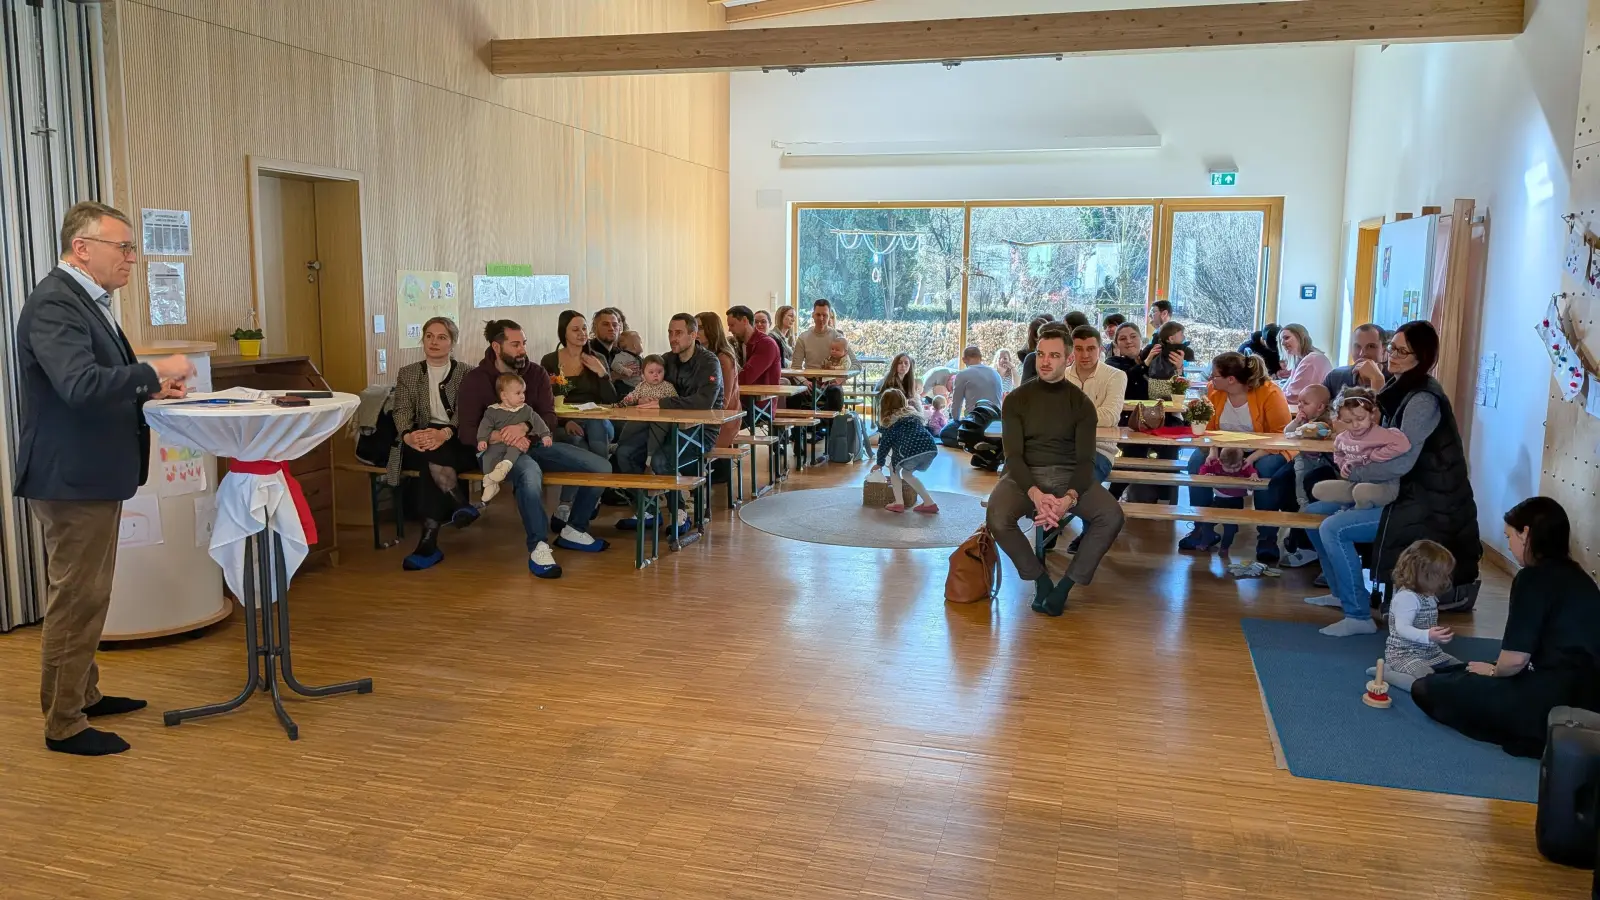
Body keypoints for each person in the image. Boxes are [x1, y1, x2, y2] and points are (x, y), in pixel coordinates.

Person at [15, 200, 193, 756]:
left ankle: (83, 694)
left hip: (89, 474)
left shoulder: (85, 300)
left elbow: (97, 382)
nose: (132, 259)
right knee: (77, 597)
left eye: (133, 248)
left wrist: (147, 389)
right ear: (82, 248)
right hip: (72, 478)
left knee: (90, 593)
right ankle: (63, 723)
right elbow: (80, 385)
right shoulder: (54, 304)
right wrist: (154, 370)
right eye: (124, 248)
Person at [1301, 321, 1480, 636]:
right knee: (1310, 517)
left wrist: (1355, 472)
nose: (1392, 355)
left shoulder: (1423, 399)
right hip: (1396, 491)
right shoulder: (1400, 389)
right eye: (1391, 348)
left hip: (1424, 502)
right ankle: (1344, 595)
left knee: (1333, 527)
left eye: (1402, 351)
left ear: (1421, 357)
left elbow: (1402, 462)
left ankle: (1358, 616)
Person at [1412, 498, 1600, 757]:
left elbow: (1514, 660)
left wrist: (1493, 673)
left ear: (1526, 534)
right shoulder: (1582, 579)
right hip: (1587, 703)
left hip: (1543, 704)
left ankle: (1527, 735)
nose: (1508, 545)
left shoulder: (1532, 579)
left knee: (1425, 687)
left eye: (1509, 536)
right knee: (1462, 668)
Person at [984, 325, 1126, 617]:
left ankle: (1064, 588)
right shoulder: (1016, 399)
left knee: (1111, 516)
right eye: (1041, 354)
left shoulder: (1082, 404)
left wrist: (1068, 500)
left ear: (1068, 359)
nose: (1045, 361)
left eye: (1054, 355)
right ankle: (1041, 579)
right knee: (997, 517)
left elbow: (1086, 460)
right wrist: (1036, 494)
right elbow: (1013, 456)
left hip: (1068, 473)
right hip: (1023, 474)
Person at [458, 319, 610, 579]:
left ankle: (574, 528)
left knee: (602, 466)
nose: (522, 350)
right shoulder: (475, 380)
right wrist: (500, 435)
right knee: (530, 476)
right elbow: (466, 431)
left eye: (524, 343)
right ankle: (539, 546)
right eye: (515, 344)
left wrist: (525, 427)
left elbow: (549, 418)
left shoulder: (537, 373)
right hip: (499, 453)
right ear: (496, 346)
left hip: (537, 445)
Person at [1178, 352, 1294, 563]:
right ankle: (1203, 528)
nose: (1211, 380)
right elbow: (1210, 429)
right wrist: (1213, 452)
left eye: (1215, 376)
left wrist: (1252, 458)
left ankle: (1267, 537)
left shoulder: (1270, 393)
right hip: (1224, 446)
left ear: (1231, 379)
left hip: (1267, 448)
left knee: (1266, 469)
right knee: (1196, 463)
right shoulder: (1215, 391)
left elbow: (1280, 435)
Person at [615, 314, 723, 530]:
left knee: (661, 460)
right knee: (624, 453)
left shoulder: (709, 362)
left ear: (693, 335)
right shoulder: (666, 360)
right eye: (670, 333)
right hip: (663, 428)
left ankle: (680, 513)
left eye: (679, 333)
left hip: (700, 430)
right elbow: (648, 386)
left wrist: (663, 403)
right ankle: (648, 510)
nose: (673, 338)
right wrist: (644, 397)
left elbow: (705, 401)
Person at [392, 316, 478, 571]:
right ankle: (459, 505)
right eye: (429, 336)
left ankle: (429, 541)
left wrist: (445, 433)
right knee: (429, 455)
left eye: (442, 337)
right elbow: (401, 411)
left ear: (452, 343)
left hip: (457, 438)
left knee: (433, 456)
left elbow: (468, 412)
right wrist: (408, 435)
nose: (434, 342)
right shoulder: (408, 373)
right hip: (419, 436)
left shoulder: (466, 372)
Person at [540, 311, 619, 523]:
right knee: (577, 443)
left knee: (595, 426)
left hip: (599, 421)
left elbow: (612, 400)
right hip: (565, 423)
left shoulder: (597, 358)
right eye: (575, 329)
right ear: (563, 333)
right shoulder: (550, 360)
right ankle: (571, 503)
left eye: (584, 328)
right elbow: (545, 401)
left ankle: (591, 493)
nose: (582, 333)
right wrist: (567, 422)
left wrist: (602, 373)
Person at [1374, 540, 1462, 693]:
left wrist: (1435, 636)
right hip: (1404, 655)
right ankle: (1387, 673)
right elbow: (1402, 628)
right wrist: (1427, 635)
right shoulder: (1407, 598)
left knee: (1461, 668)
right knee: (1428, 681)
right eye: (1441, 575)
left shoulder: (1428, 594)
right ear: (1424, 575)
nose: (1445, 580)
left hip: (1430, 652)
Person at [1310, 387, 1411, 509]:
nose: (1355, 425)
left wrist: (1375, 455)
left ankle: (1355, 511)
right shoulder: (1342, 438)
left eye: (1360, 419)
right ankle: (1356, 502)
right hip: (1357, 483)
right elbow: (1338, 453)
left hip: (1385, 487)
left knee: (1361, 492)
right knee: (1318, 489)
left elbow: (1404, 444)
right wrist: (1343, 464)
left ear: (1372, 414)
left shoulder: (1380, 434)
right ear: (1340, 419)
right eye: (1348, 421)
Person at [1062, 325, 1126, 486]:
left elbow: (1110, 417)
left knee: (1072, 487)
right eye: (1079, 349)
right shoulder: (1061, 376)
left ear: (1100, 348)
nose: (1085, 355)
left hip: (1099, 450)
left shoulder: (1115, 376)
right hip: (1061, 447)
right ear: (1071, 350)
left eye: (1091, 348)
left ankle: (1059, 509)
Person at [476, 373, 551, 503]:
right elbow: (485, 426)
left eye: (523, 392)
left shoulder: (526, 410)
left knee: (517, 446)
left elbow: (538, 422)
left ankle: (505, 465)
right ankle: (490, 483)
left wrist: (545, 435)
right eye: (518, 393)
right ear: (504, 395)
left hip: (515, 444)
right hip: (497, 445)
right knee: (488, 456)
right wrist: (482, 439)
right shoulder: (492, 411)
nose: (522, 396)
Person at [870, 388, 939, 514]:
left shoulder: (890, 421)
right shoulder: (913, 415)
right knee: (907, 474)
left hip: (911, 450)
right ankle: (929, 503)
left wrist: (879, 463)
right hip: (930, 448)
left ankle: (898, 503)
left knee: (893, 468)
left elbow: (884, 445)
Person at [790, 299, 851, 411]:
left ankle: (829, 426)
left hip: (830, 381)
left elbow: (849, 363)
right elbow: (795, 367)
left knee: (836, 394)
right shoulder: (803, 338)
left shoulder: (838, 337)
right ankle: (798, 428)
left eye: (825, 315)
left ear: (829, 316)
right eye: (818, 315)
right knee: (793, 395)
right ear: (813, 315)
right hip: (809, 380)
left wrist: (838, 380)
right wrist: (804, 381)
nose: (821, 319)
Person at [618, 356, 677, 470]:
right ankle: (620, 443)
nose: (656, 375)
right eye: (651, 372)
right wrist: (624, 402)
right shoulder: (641, 386)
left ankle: (650, 454)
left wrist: (662, 404)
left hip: (660, 419)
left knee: (658, 432)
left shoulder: (667, 387)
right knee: (630, 424)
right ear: (643, 374)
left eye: (659, 372)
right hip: (642, 418)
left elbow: (675, 401)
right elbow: (632, 396)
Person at [1198, 448, 1258, 553]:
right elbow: (1204, 469)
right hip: (1218, 500)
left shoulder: (1244, 466)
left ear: (1242, 461)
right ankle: (1205, 541)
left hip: (1236, 502)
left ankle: (1225, 547)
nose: (1233, 471)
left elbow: (1251, 470)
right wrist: (1206, 475)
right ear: (1220, 462)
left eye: (1236, 467)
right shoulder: (1215, 464)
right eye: (1228, 468)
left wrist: (1253, 475)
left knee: (1230, 528)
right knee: (1207, 523)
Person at [696, 311, 742, 449]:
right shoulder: (699, 355)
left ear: (712, 330)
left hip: (724, 420)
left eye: (701, 328)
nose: (696, 332)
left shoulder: (723, 358)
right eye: (694, 327)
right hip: (704, 416)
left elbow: (724, 401)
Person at [1324, 323, 1389, 399]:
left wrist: (1377, 380)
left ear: (1384, 350)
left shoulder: (1396, 382)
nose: (1362, 353)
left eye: (1371, 346)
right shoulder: (1334, 377)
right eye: (1357, 346)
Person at [1277, 323, 1333, 403]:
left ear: (1300, 337)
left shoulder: (1312, 360)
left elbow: (1293, 397)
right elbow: (1287, 390)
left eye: (1286, 338)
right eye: (1281, 340)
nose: (1282, 343)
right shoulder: (1300, 359)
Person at [728, 305, 780, 388]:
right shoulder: (735, 343)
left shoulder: (767, 344)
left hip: (762, 398)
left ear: (745, 320)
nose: (729, 330)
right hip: (741, 395)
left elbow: (746, 377)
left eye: (732, 325)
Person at [588, 307, 636, 393]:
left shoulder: (621, 353)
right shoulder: (587, 351)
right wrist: (614, 376)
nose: (611, 328)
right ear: (595, 328)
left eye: (615, 325)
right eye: (605, 324)